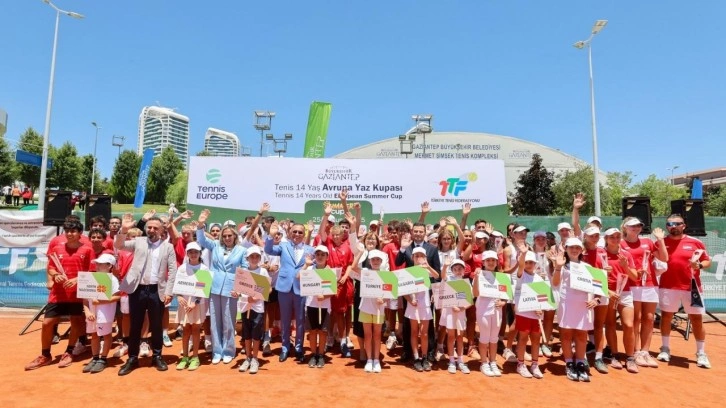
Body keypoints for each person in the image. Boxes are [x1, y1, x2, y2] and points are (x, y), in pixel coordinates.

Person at [25, 219, 93, 370]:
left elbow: (91, 271)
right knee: (47, 323)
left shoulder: (87, 250)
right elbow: (51, 268)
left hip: (77, 293)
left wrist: (77, 280)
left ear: (80, 233)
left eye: (73, 231)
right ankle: (45, 355)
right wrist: (55, 275)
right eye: (67, 231)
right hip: (58, 293)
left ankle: (69, 352)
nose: (69, 234)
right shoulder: (57, 248)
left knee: (76, 321)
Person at [115, 214, 178, 376]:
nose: (151, 230)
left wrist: (169, 291)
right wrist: (123, 230)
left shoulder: (168, 247)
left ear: (162, 230)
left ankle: (157, 356)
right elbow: (119, 245)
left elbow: (172, 271)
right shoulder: (139, 241)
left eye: (155, 228)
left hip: (157, 290)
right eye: (149, 227)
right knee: (135, 325)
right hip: (137, 289)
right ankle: (132, 358)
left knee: (156, 325)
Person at [657, 214, 712, 368]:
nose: (673, 226)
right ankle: (665, 348)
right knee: (666, 317)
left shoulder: (696, 242)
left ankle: (701, 353)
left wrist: (699, 266)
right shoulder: (661, 242)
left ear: (684, 225)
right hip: (668, 286)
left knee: (696, 319)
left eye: (677, 223)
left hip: (692, 287)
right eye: (669, 224)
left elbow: (707, 261)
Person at [196, 209, 248, 365]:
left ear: (235, 236)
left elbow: (244, 269)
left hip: (231, 289)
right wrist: (200, 224)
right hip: (214, 287)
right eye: (224, 236)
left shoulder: (242, 250)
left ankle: (228, 350)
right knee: (215, 321)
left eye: (229, 236)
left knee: (228, 321)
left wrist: (239, 289)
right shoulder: (215, 246)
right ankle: (217, 351)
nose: (227, 238)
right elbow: (201, 240)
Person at [552, 238, 602, 382]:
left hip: (584, 305)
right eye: (571, 247)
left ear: (582, 250)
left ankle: (580, 362)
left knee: (581, 335)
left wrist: (596, 300)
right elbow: (555, 283)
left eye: (577, 248)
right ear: (566, 249)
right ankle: (569, 363)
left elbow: (598, 286)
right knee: (566, 335)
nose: (574, 250)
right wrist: (558, 267)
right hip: (567, 303)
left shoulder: (588, 267)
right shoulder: (562, 266)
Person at [620, 217, 668, 368]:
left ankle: (645, 351)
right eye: (632, 226)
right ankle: (635, 352)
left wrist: (660, 240)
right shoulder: (620, 243)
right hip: (632, 284)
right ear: (625, 227)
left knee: (649, 318)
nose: (636, 228)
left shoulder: (648, 242)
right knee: (637, 318)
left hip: (650, 284)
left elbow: (664, 258)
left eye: (638, 225)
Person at [264, 220, 315, 362]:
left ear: (304, 234)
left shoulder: (310, 250)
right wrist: (271, 236)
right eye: (294, 231)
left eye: (300, 232)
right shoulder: (283, 245)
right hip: (284, 287)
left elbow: (318, 265)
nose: (297, 234)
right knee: (285, 320)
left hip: (302, 288)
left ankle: (299, 348)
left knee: (300, 320)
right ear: (290, 233)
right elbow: (268, 250)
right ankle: (285, 347)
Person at [396, 222, 441, 364]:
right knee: (409, 323)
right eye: (415, 231)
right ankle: (409, 351)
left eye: (421, 231)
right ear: (412, 232)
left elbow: (437, 273)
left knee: (427, 325)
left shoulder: (432, 249)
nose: (418, 233)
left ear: (424, 233)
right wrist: (402, 248)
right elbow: (398, 263)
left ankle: (429, 353)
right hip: (410, 292)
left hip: (427, 293)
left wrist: (434, 291)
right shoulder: (407, 247)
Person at [602, 228, 638, 373]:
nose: (615, 239)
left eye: (618, 236)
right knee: (610, 324)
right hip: (608, 293)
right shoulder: (601, 254)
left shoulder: (626, 254)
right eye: (612, 237)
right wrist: (607, 291)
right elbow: (595, 277)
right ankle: (614, 355)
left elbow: (635, 277)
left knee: (628, 325)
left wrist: (625, 267)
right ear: (606, 238)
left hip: (625, 292)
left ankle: (630, 357)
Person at [349, 249, 388, 373]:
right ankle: (369, 360)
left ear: (381, 261)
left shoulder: (386, 274)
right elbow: (353, 267)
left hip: (379, 309)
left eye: (378, 259)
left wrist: (384, 299)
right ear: (370, 261)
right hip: (365, 308)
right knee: (367, 335)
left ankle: (376, 360)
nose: (375, 261)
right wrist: (360, 253)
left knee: (377, 335)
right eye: (373, 259)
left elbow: (390, 291)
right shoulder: (365, 272)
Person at [82, 253, 121, 374]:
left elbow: (117, 296)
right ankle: (95, 358)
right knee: (94, 335)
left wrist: (100, 301)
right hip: (92, 314)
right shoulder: (90, 278)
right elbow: (85, 298)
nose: (97, 266)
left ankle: (103, 359)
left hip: (105, 314)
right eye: (97, 263)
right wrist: (87, 311)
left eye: (101, 264)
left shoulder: (113, 280)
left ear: (110, 266)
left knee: (106, 335)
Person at [233, 246, 268, 374]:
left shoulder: (263, 271)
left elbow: (268, 289)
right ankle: (248, 358)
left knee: (256, 334)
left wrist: (256, 297)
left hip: (257, 308)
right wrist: (236, 293)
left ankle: (255, 359)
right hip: (244, 307)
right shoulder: (243, 272)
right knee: (246, 334)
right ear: (247, 258)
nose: (254, 259)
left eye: (256, 256)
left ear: (260, 258)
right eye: (251, 256)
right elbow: (239, 289)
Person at [174, 242, 208, 371]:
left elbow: (203, 288)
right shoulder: (182, 268)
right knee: (185, 330)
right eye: (191, 252)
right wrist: (179, 296)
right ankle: (185, 357)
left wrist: (195, 302)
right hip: (184, 304)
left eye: (196, 252)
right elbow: (178, 285)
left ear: (200, 253)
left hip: (196, 304)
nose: (193, 254)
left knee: (195, 330)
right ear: (187, 254)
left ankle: (195, 357)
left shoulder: (204, 269)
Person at [405, 247, 440, 372]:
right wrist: (410, 300)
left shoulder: (427, 271)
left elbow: (437, 276)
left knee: (424, 333)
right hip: (413, 305)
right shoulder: (408, 272)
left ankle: (424, 358)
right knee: (414, 332)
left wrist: (428, 266)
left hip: (425, 305)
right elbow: (402, 290)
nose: (419, 258)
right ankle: (416, 358)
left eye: (421, 256)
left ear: (425, 258)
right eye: (416, 256)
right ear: (412, 258)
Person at [472, 251, 506, 377]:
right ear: (483, 262)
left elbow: (506, 295)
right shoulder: (479, 275)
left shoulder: (502, 277)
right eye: (488, 260)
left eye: (493, 260)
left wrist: (503, 302)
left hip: (497, 311)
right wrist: (476, 278)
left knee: (494, 338)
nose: (491, 263)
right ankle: (484, 363)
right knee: (484, 337)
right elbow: (475, 294)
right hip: (483, 310)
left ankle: (493, 362)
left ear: (497, 262)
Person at [514, 248, 544, 379]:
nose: (529, 265)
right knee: (523, 338)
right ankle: (520, 364)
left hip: (536, 315)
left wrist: (541, 308)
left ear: (535, 264)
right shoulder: (521, 275)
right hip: (523, 313)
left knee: (536, 339)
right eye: (526, 262)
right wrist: (523, 254)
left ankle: (535, 364)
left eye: (531, 262)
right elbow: (520, 265)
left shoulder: (539, 279)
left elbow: (543, 297)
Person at [301, 246, 333, 368]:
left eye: (323, 255)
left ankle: (321, 355)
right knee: (313, 331)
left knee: (323, 332)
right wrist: (305, 265)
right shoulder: (309, 269)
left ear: (327, 257)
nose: (320, 257)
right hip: (311, 305)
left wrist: (324, 297)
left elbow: (333, 292)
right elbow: (298, 277)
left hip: (325, 307)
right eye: (318, 254)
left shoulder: (330, 272)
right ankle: (313, 355)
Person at [440, 258, 471, 374]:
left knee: (460, 336)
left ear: (464, 270)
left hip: (461, 313)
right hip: (450, 312)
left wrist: (462, 308)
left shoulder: (466, 283)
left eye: (460, 269)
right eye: (455, 269)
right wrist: (445, 266)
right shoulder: (448, 279)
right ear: (452, 270)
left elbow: (469, 300)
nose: (458, 271)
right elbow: (443, 276)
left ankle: (461, 360)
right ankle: (452, 361)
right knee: (451, 336)